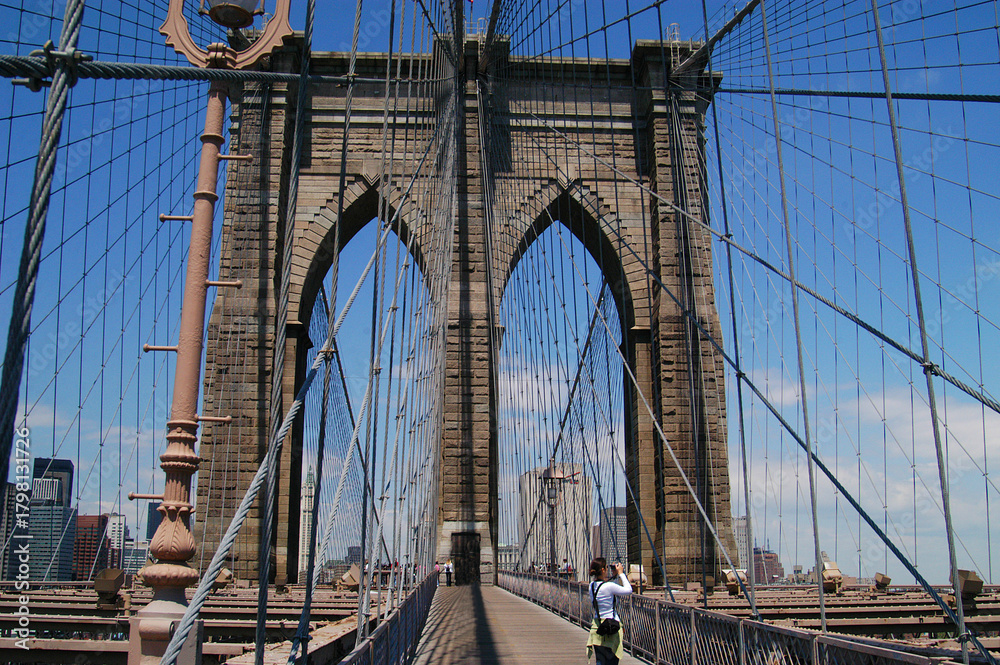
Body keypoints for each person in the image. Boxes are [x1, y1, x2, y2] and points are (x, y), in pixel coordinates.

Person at [586, 558, 632, 665]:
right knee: (612, 660)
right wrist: (621, 574)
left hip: (597, 626)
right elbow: (628, 590)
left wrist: (614, 576)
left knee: (600, 661)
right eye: (606, 567)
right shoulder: (609, 586)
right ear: (603, 570)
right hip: (611, 627)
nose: (607, 569)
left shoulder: (591, 586)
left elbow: (605, 588)